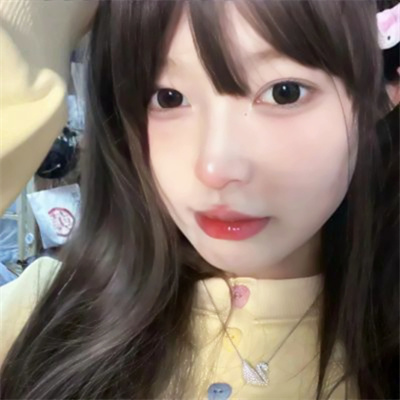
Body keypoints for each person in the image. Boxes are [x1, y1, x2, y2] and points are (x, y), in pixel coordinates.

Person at [0, 1, 399, 399]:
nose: (214, 167)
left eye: (284, 93)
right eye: (168, 98)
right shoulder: (42, 310)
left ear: (376, 98)